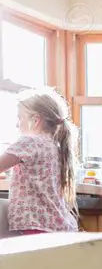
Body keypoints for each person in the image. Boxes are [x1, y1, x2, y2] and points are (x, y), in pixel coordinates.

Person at [0, 87, 80, 235]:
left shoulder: (29, 142)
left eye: (19, 118)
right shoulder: (55, 146)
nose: (17, 124)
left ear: (35, 120)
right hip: (58, 226)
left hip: (36, 226)